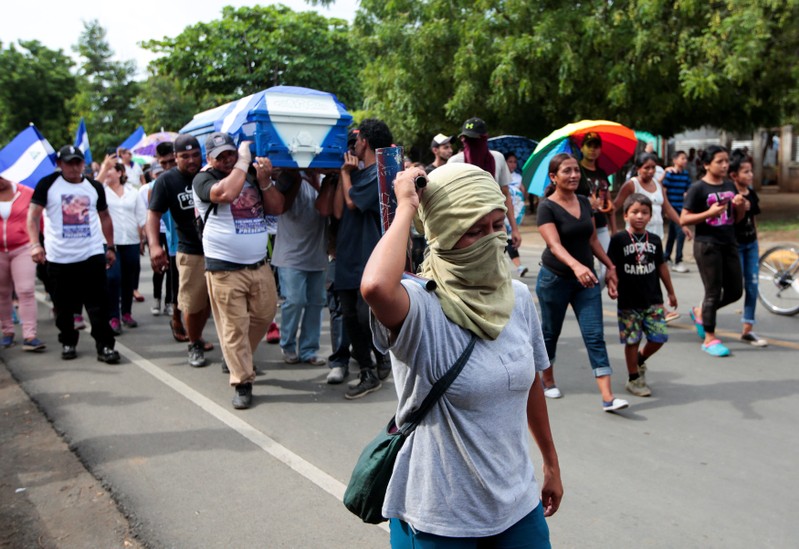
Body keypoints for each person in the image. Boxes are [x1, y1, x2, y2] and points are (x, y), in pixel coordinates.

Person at [361, 163, 562, 545]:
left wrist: (550, 463)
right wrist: (406, 206)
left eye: (497, 225)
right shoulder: (420, 308)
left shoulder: (516, 298)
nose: (491, 240)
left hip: (517, 504)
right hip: (440, 515)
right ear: (443, 233)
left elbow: (530, 382)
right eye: (474, 230)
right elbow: (375, 287)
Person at [192, 133, 282, 409]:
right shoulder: (204, 179)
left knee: (265, 315)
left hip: (259, 264)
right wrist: (243, 161)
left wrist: (265, 180)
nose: (228, 159)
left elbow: (276, 208)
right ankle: (242, 381)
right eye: (221, 156)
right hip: (224, 269)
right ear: (209, 159)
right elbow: (226, 193)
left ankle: (235, 357)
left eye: (231, 153)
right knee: (234, 327)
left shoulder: (251, 176)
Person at [535, 153, 628, 412]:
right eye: (567, 171)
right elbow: (554, 245)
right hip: (555, 279)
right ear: (554, 177)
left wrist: (610, 267)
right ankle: (548, 379)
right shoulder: (547, 207)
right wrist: (576, 266)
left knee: (595, 335)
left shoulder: (586, 202)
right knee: (550, 333)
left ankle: (608, 397)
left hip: (585, 282)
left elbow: (592, 241)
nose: (574, 175)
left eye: (576, 170)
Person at [27, 146, 119, 363]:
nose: (73, 167)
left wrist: (110, 246)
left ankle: (105, 346)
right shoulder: (48, 185)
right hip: (59, 258)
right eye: (68, 162)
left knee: (98, 306)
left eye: (77, 162)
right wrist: (35, 245)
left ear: (83, 164)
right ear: (60, 164)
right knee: (63, 307)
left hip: (91, 254)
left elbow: (105, 216)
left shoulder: (94, 186)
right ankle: (68, 341)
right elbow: (33, 216)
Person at [333, 119, 394, 399]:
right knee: (348, 316)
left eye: (355, 141)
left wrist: (345, 174)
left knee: (363, 315)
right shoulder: (357, 174)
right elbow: (334, 211)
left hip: (367, 257)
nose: (352, 146)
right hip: (347, 254)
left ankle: (376, 363)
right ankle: (370, 368)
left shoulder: (378, 175)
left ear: (364, 142)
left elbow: (352, 203)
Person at [147, 135, 213, 367]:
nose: (191, 160)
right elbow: (153, 214)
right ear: (175, 158)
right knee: (192, 303)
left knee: (210, 303)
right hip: (190, 250)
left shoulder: (209, 174)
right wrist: (155, 246)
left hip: (219, 249)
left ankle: (198, 335)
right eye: (185, 156)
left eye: (195, 154)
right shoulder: (166, 181)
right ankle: (193, 344)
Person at [607, 194, 677, 398]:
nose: (640, 216)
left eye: (644, 212)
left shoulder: (654, 240)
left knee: (658, 337)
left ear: (651, 216)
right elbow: (611, 267)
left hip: (653, 299)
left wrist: (670, 292)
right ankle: (633, 378)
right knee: (632, 340)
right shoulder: (619, 239)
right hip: (629, 301)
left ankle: (639, 359)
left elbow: (661, 267)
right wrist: (612, 285)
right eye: (635, 212)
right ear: (626, 215)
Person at [680, 145, 746, 357]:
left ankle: (700, 312)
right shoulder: (698, 188)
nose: (725, 165)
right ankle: (709, 338)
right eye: (720, 161)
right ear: (707, 164)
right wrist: (708, 212)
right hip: (707, 244)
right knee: (713, 291)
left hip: (729, 242)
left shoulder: (729, 185)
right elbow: (684, 218)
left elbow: (737, 219)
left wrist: (741, 205)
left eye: (726, 161)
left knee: (735, 290)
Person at [271, 170, 334, 366]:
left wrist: (319, 181)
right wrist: (298, 178)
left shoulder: (326, 180)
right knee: (295, 300)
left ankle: (309, 350)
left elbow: (326, 209)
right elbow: (280, 207)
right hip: (290, 255)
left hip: (317, 253)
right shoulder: (288, 177)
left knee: (316, 302)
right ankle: (288, 345)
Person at [448, 117, 521, 249]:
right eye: (466, 139)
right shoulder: (454, 162)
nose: (470, 144)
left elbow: (506, 195)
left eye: (474, 140)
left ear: (484, 139)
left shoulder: (498, 159)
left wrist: (514, 228)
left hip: (494, 227)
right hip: (466, 228)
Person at [100, 156, 146, 334]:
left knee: (128, 279)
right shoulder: (102, 191)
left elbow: (142, 218)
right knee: (112, 278)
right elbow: (94, 186)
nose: (108, 173)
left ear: (120, 172)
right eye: (107, 170)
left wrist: (144, 239)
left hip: (131, 241)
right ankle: (113, 316)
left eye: (112, 169)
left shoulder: (132, 192)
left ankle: (126, 312)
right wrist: (104, 168)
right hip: (110, 242)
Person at [0, 175, 45, 351]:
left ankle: (30, 335)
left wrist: (40, 244)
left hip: (23, 247)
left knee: (25, 290)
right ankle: (7, 331)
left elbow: (38, 219)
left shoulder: (26, 193)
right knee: (2, 292)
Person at [729, 150, 767, 347]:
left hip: (750, 244)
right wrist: (739, 207)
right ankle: (702, 310)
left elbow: (753, 220)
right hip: (734, 246)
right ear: (734, 175)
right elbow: (733, 221)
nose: (750, 175)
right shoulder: (729, 195)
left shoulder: (751, 194)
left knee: (752, 286)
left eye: (751, 171)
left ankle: (747, 329)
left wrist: (756, 240)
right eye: (746, 172)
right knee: (731, 288)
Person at [577, 132, 615, 284]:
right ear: (582, 148)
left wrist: (615, 229)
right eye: (589, 145)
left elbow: (609, 203)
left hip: (601, 226)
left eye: (596, 146)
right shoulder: (576, 171)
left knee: (608, 268)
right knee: (585, 268)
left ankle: (591, 295)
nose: (592, 149)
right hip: (582, 227)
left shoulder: (602, 173)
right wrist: (587, 201)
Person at [660, 150, 693, 272]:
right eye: (682, 158)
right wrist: (665, 210)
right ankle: (678, 261)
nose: (685, 161)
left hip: (682, 208)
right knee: (681, 233)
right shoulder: (669, 174)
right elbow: (664, 190)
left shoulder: (685, 174)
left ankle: (666, 256)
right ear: (675, 160)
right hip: (671, 208)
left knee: (673, 234)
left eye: (686, 159)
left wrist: (687, 194)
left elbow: (688, 189)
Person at [504, 152, 528, 276]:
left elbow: (523, 197)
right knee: (505, 239)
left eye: (514, 162)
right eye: (510, 161)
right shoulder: (498, 176)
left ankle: (517, 266)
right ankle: (518, 266)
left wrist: (524, 191)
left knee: (507, 239)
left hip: (515, 212)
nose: (513, 164)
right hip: (502, 212)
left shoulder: (518, 177)